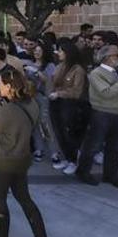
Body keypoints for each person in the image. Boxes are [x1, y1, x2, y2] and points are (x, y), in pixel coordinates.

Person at [0, 69, 52, 237]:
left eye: (1, 84)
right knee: (25, 199)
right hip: (22, 159)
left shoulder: (9, 110)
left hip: (4, 161)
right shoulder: (31, 103)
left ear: (10, 86)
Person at [77, 44, 118, 188]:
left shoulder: (116, 73)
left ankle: (111, 175)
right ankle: (83, 172)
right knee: (93, 146)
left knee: (114, 147)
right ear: (107, 58)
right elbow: (106, 93)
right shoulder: (96, 73)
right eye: (117, 55)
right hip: (101, 113)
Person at [49, 41, 87, 175]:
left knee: (69, 133)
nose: (58, 54)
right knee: (59, 132)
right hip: (56, 103)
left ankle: (73, 160)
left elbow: (77, 91)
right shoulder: (60, 66)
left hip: (70, 104)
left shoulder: (78, 70)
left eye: (61, 51)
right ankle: (66, 157)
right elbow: (53, 82)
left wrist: (59, 93)